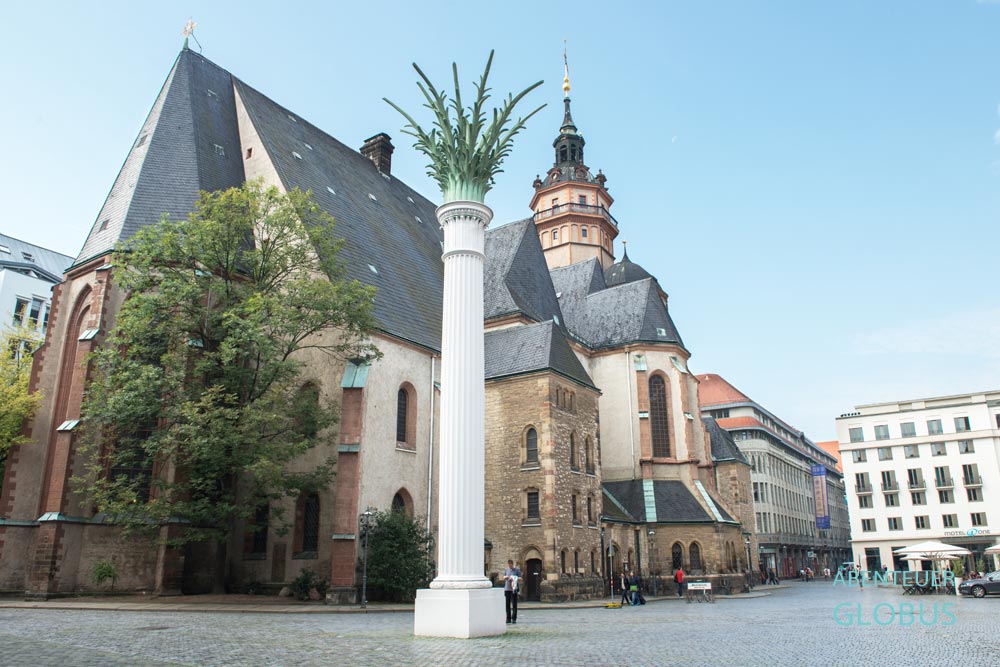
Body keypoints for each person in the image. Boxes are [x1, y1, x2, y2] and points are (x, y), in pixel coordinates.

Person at [503, 559, 521, 624]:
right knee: (507, 605)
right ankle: (508, 618)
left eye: (511, 565)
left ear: (512, 564)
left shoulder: (517, 570)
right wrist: (506, 577)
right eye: (509, 565)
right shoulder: (506, 570)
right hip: (507, 589)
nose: (510, 566)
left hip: (514, 589)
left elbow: (520, 578)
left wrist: (514, 577)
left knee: (514, 605)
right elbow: (504, 576)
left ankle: (514, 619)